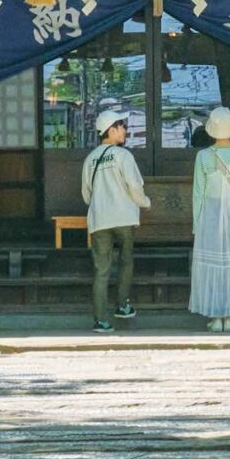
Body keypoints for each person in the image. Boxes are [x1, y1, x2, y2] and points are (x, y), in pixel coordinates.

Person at [81, 107, 148, 333]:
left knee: (101, 270)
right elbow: (135, 187)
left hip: (99, 219)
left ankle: (100, 320)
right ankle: (122, 305)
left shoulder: (90, 159)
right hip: (123, 216)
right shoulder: (123, 156)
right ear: (111, 130)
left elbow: (86, 193)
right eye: (122, 126)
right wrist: (145, 203)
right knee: (126, 260)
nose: (125, 130)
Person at [189, 106, 230, 331]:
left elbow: (198, 193)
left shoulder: (203, 156)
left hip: (209, 215)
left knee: (212, 263)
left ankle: (215, 317)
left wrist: (196, 224)